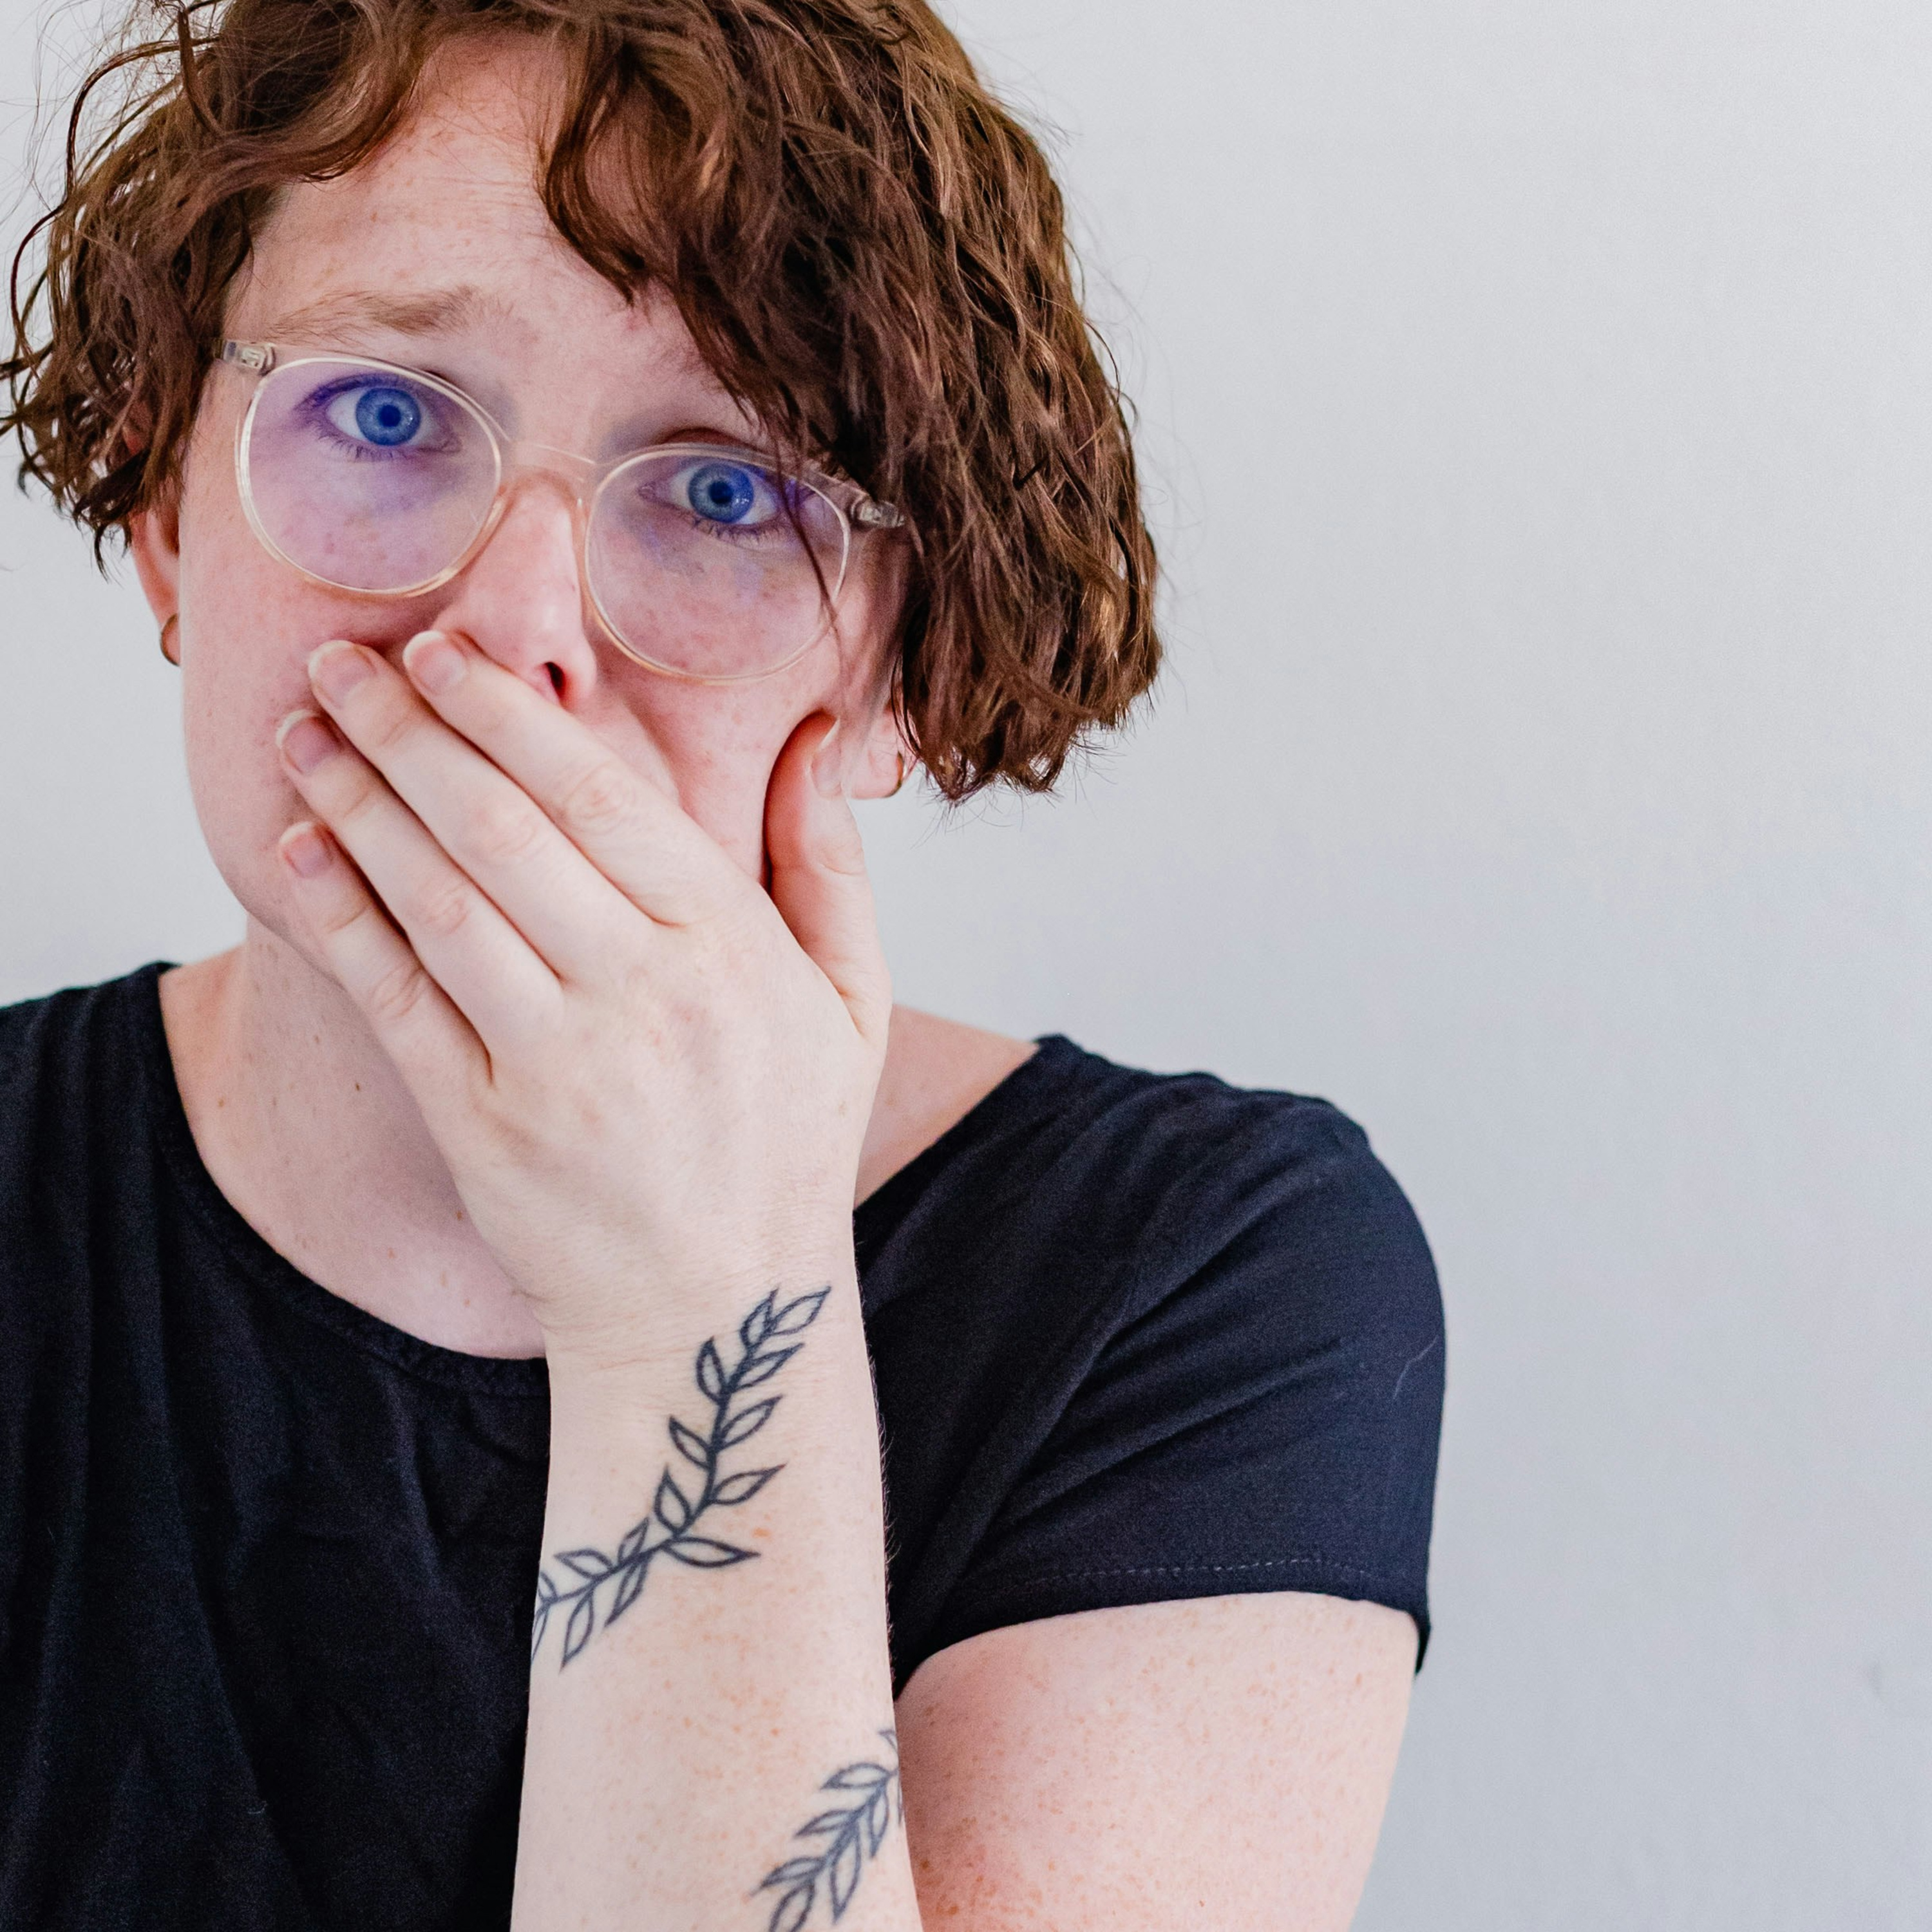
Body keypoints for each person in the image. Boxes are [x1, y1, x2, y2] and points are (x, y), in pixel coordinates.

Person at [0, 1, 1445, 1926]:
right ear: (165, 510)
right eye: (385, 414)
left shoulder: (1202, 1283)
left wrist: (697, 1301)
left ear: (899, 679)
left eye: (724, 491)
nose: (513, 630)